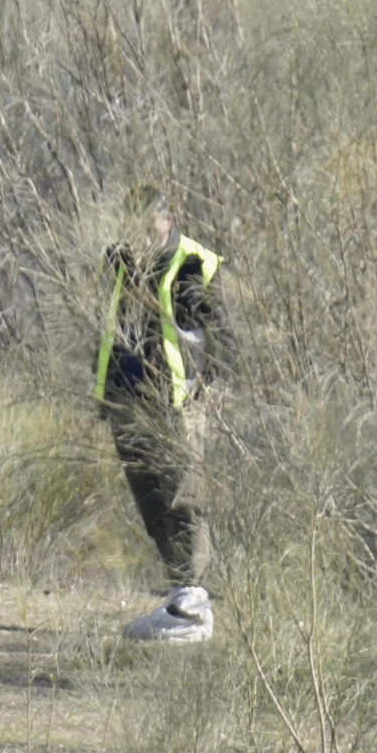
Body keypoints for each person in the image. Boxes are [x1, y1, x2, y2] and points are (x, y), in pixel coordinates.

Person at [95, 187, 235, 642]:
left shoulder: (195, 263)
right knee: (151, 498)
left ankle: (195, 606)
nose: (139, 231)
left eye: (147, 221)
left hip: (178, 401)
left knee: (184, 495)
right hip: (126, 395)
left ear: (167, 220)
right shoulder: (116, 261)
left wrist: (208, 394)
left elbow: (223, 340)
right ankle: (179, 595)